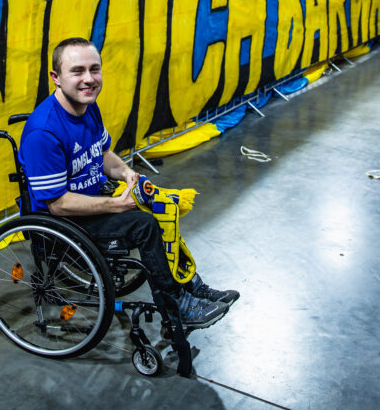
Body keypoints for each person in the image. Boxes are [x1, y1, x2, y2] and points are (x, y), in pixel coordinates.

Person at [19, 37, 238, 329]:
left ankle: (191, 284)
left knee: (159, 203)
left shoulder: (88, 107)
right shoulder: (44, 133)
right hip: (63, 222)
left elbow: (102, 153)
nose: (89, 79)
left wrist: (125, 173)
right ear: (56, 77)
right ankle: (176, 307)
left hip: (90, 200)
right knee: (144, 225)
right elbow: (57, 204)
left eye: (94, 69)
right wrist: (117, 205)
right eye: (77, 71)